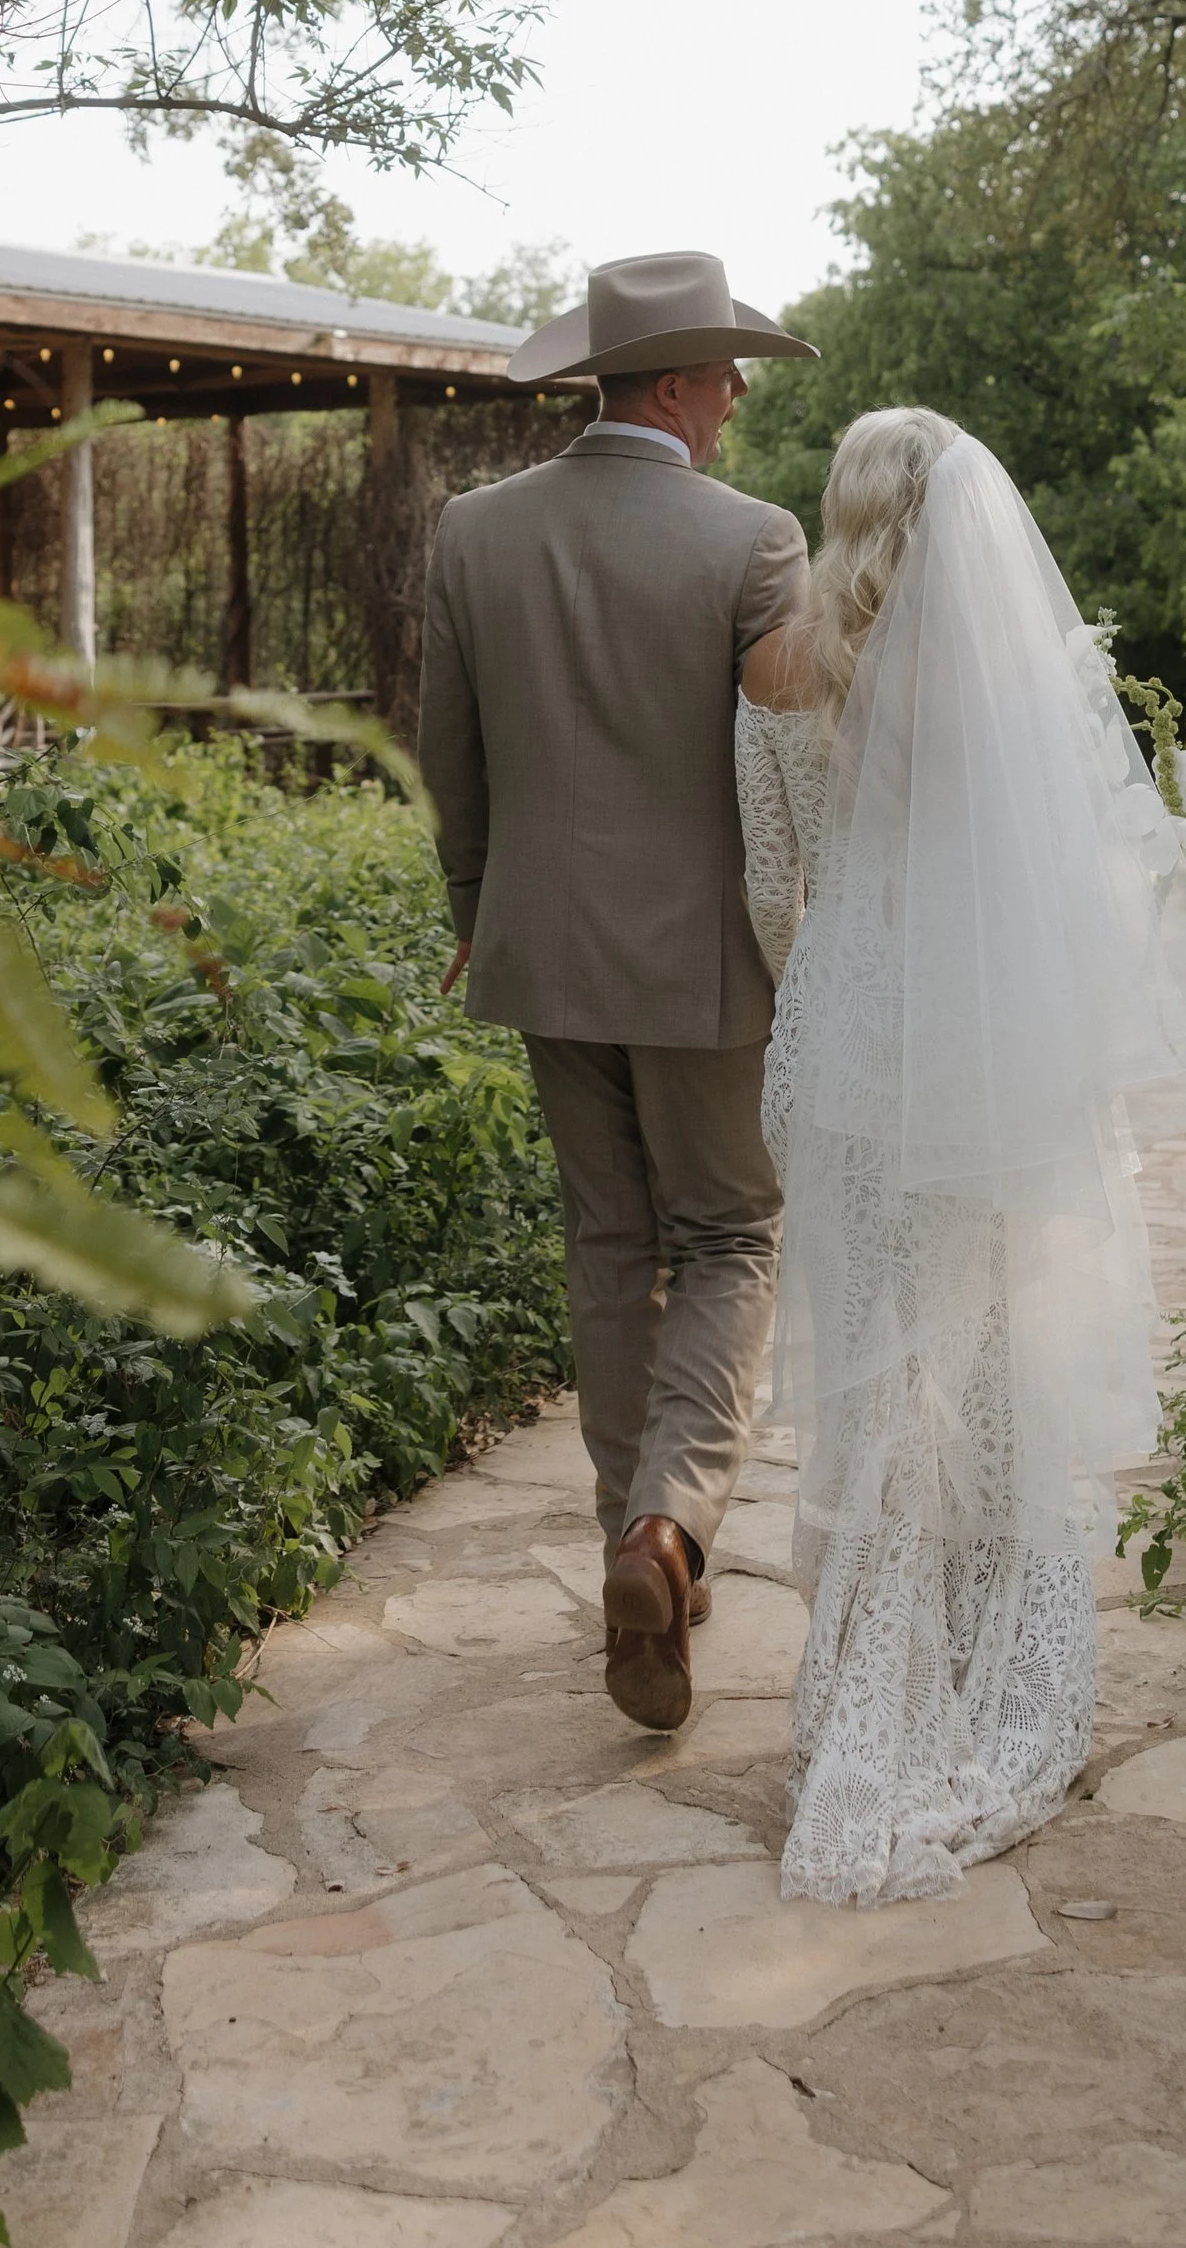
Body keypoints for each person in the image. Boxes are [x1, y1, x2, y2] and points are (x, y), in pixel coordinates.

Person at [736, 408, 1186, 1908]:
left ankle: (856, 1695)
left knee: (882, 1364)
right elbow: (1055, 878)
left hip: (839, 1043)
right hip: (971, 1051)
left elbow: (779, 890)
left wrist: (812, 1004)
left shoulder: (781, 670)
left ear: (843, 513)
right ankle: (950, 1683)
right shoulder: (998, 677)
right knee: (975, 1365)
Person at [418, 249, 816, 1733]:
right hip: (705, 961)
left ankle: (636, 1549)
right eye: (722, 373)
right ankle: (668, 1526)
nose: (733, 399)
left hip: (539, 948)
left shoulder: (475, 531)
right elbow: (790, 770)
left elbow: (446, 753)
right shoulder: (755, 543)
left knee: (608, 1240)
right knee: (728, 1233)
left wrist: (476, 906)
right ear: (668, 382)